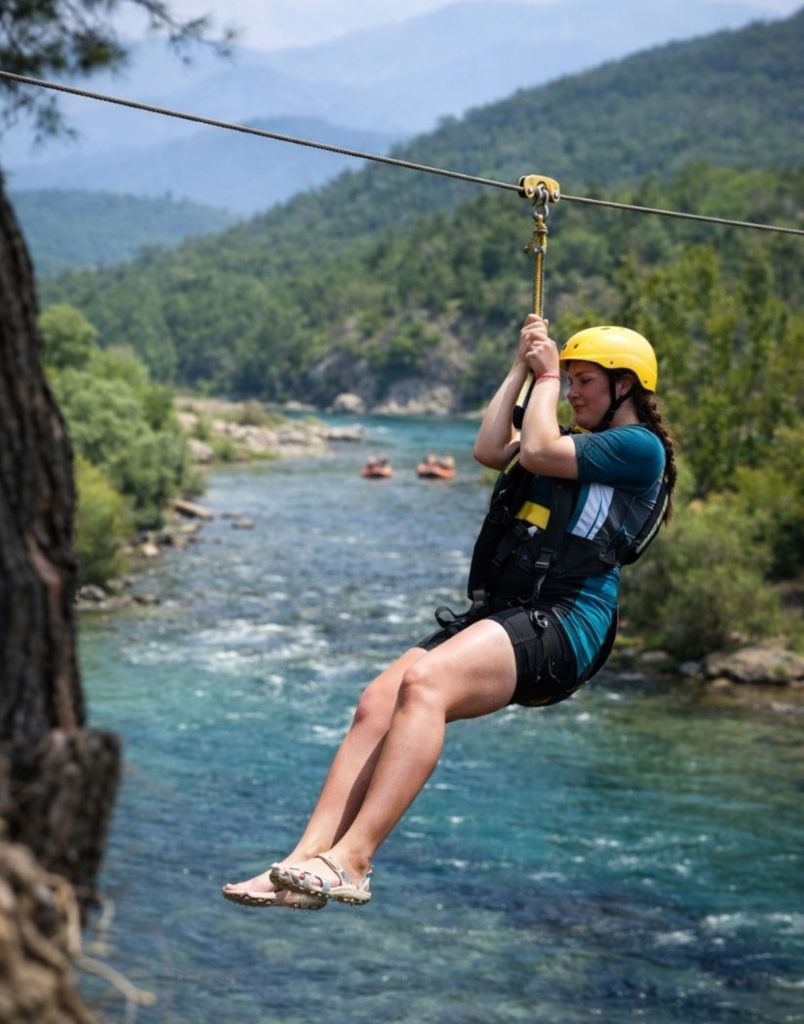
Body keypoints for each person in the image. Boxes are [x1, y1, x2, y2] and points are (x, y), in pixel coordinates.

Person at [222, 314, 677, 910]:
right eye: (567, 381)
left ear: (626, 386)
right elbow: (491, 447)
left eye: (584, 380)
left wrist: (541, 380)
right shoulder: (575, 438)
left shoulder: (637, 448)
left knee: (426, 683)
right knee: (377, 700)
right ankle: (306, 860)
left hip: (568, 622)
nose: (572, 391)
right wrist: (521, 367)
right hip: (514, 611)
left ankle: (353, 861)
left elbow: (537, 448)